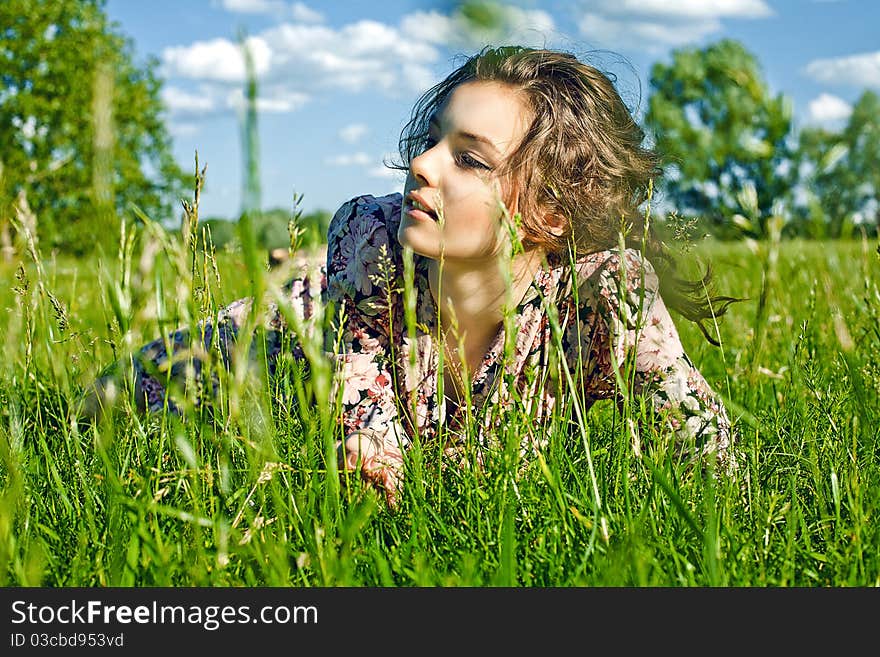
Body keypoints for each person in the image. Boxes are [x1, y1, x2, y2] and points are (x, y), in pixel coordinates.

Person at [84, 46, 740, 506]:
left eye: (469, 159)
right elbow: (365, 437)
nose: (422, 164)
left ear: (550, 212)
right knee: (107, 411)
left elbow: (705, 445)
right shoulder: (374, 240)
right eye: (430, 141)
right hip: (229, 361)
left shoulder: (598, 302)